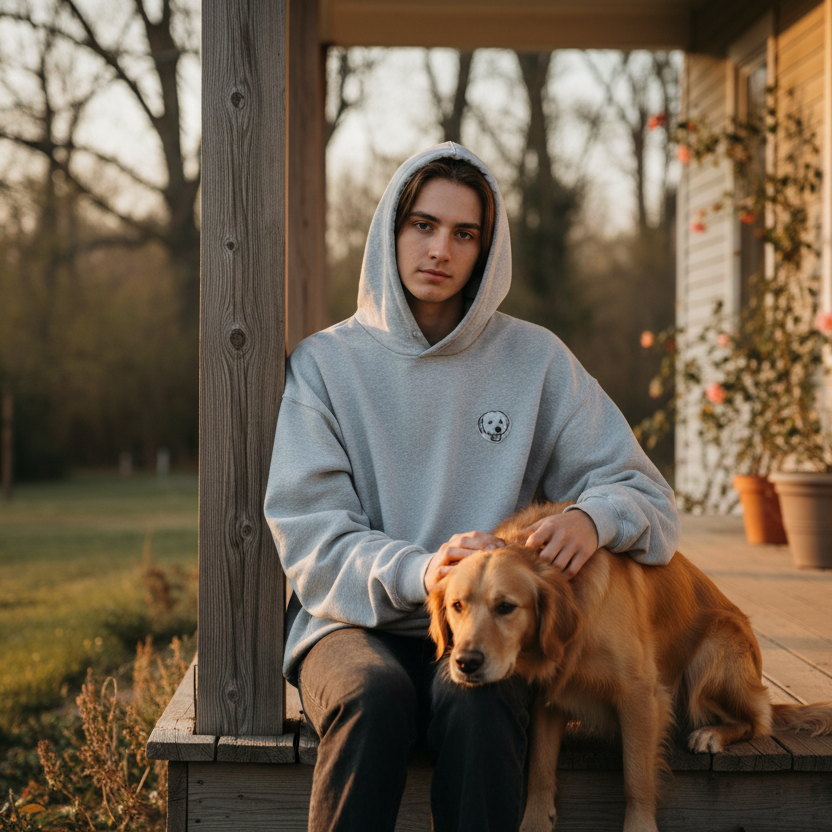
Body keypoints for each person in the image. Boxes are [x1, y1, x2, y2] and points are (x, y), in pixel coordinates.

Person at [264, 143, 681, 832]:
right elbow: (312, 537)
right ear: (389, 232)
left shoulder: (536, 358)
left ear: (486, 251)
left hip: (487, 625)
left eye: (465, 234)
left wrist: (593, 517)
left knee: (481, 701)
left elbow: (645, 494)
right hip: (352, 622)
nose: (440, 250)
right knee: (374, 695)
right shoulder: (325, 365)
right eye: (422, 225)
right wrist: (422, 569)